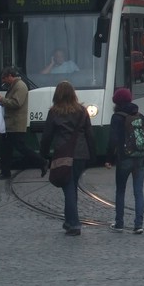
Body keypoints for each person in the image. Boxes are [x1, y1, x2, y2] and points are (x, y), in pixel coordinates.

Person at [39, 81, 95, 237]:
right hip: (81, 154)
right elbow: (90, 135)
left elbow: (47, 136)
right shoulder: (82, 111)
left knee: (68, 188)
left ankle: (74, 224)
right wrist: (93, 155)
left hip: (63, 154)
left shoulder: (54, 112)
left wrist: (43, 155)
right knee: (72, 186)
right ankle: (69, 221)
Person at [0, 66, 48, 180]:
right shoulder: (14, 86)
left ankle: (42, 162)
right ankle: (5, 172)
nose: (3, 81)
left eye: (4, 78)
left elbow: (17, 103)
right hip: (11, 124)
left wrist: (2, 100)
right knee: (6, 148)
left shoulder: (20, 86)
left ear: (10, 76)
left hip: (16, 124)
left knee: (21, 147)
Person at [106, 87, 144, 233]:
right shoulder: (139, 115)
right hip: (140, 157)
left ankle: (119, 223)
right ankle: (139, 224)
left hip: (124, 158)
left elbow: (113, 140)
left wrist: (109, 159)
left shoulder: (117, 117)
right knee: (138, 191)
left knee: (121, 190)